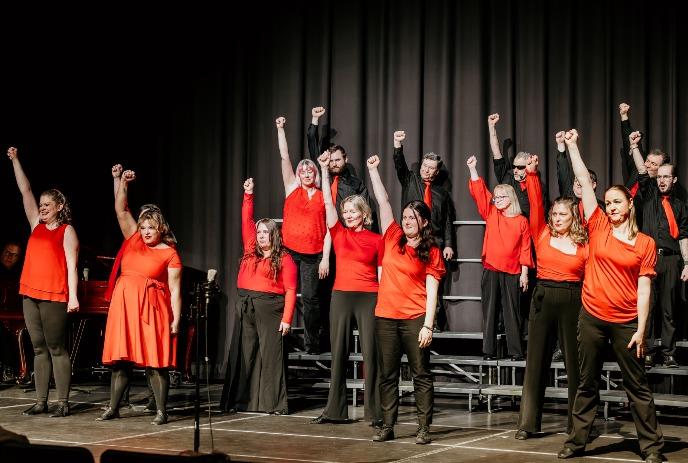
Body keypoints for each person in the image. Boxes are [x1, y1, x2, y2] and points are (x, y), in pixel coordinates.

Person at [557, 130, 664, 463]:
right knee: (586, 384)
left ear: (630, 204)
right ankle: (576, 442)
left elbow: (644, 287)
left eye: (618, 201)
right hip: (591, 318)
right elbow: (583, 182)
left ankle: (651, 448)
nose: (612, 206)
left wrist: (642, 329)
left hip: (626, 323)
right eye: (609, 201)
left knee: (638, 389)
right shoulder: (598, 224)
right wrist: (573, 146)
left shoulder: (645, 243)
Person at [366, 153, 445, 445]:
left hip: (414, 320)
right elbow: (383, 202)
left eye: (413, 218)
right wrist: (374, 171)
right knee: (387, 375)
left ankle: (424, 427)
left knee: (420, 374)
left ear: (424, 222)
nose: (407, 221)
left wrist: (428, 325)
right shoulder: (392, 236)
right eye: (405, 217)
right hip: (385, 317)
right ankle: (387, 425)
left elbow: (433, 290)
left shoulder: (431, 251)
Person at [98, 168, 182, 425]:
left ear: (161, 229)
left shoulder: (170, 253)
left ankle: (161, 411)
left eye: (151, 228)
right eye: (143, 227)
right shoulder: (133, 239)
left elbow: (176, 290)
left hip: (152, 307)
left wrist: (175, 319)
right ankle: (113, 408)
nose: (145, 232)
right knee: (120, 359)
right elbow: (121, 210)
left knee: (156, 361)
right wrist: (122, 182)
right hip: (124, 304)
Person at [514, 153, 588, 440]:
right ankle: (528, 424)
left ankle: (576, 425)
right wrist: (532, 175)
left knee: (574, 365)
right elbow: (535, 204)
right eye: (555, 214)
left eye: (562, 215)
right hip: (543, 296)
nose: (557, 219)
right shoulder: (542, 233)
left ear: (573, 218)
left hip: (573, 299)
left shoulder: (584, 244)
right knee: (536, 362)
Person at [310, 152, 382, 426]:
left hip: (369, 296)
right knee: (338, 353)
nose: (348, 215)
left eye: (353, 211)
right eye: (346, 212)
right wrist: (323, 169)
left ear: (364, 214)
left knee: (371, 355)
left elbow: (381, 272)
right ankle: (334, 411)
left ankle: (374, 412)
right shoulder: (338, 233)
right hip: (341, 295)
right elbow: (328, 201)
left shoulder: (376, 240)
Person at [7, 146, 79, 418]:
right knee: (38, 348)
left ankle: (63, 402)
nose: (42, 208)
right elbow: (25, 191)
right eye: (41, 205)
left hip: (54, 296)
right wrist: (16, 160)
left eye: (47, 205)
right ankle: (41, 401)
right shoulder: (35, 224)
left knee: (56, 348)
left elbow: (72, 265)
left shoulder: (66, 230)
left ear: (59, 206)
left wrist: (73, 296)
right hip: (29, 293)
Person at [222, 178, 297, 414]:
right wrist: (248, 195)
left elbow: (291, 290)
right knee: (245, 354)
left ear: (274, 235)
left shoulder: (285, 259)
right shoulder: (249, 250)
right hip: (246, 305)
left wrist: (287, 319)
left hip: (271, 308)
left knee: (271, 356)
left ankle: (273, 404)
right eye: (259, 232)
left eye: (266, 232)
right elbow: (246, 219)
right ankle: (240, 401)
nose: (261, 235)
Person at [628, 132, 688, 368]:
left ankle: (669, 352)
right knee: (648, 306)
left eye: (666, 177)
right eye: (659, 176)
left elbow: (684, 235)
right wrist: (634, 148)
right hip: (649, 259)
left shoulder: (681, 206)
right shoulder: (649, 194)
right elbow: (643, 172)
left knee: (668, 309)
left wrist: (687, 263)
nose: (662, 180)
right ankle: (649, 350)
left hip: (672, 260)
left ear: (673, 180)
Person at [467, 155, 533, 360]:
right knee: (490, 311)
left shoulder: (522, 221)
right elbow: (480, 193)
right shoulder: (492, 213)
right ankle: (488, 351)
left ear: (510, 198)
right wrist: (473, 169)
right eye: (495, 198)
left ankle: (515, 351)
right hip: (492, 269)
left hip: (512, 271)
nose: (496, 200)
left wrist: (524, 274)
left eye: (501, 197)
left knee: (512, 313)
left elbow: (525, 248)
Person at [276, 116, 330, 354]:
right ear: (298, 174)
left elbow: (330, 227)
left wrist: (326, 258)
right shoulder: (292, 188)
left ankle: (312, 344)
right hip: (289, 249)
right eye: (303, 170)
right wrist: (281, 129)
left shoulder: (322, 194)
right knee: (281, 293)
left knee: (310, 299)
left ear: (315, 174)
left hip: (313, 254)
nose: (307, 172)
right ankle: (279, 338)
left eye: (310, 170)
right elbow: (285, 157)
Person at [392, 130, 455, 330]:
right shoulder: (409, 179)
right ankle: (409, 315)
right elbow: (399, 164)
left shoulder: (442, 193)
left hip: (434, 241)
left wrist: (449, 245)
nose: (427, 171)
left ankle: (433, 322)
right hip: (410, 239)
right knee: (409, 279)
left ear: (436, 172)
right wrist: (397, 144)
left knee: (433, 282)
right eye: (425, 167)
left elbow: (446, 220)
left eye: (431, 169)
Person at [488, 113, 547, 218]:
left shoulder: (538, 185)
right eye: (514, 166)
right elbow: (496, 152)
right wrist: (491, 126)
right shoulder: (507, 176)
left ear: (528, 166)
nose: (515, 170)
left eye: (520, 167)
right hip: (509, 227)